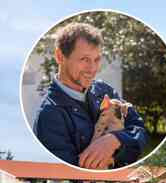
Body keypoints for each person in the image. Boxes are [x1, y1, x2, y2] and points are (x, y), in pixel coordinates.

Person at [33, 23, 147, 169]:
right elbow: (69, 173)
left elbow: (140, 131)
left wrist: (115, 140)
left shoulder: (105, 90)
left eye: (97, 59)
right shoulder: (49, 115)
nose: (92, 69)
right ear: (60, 56)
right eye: (85, 59)